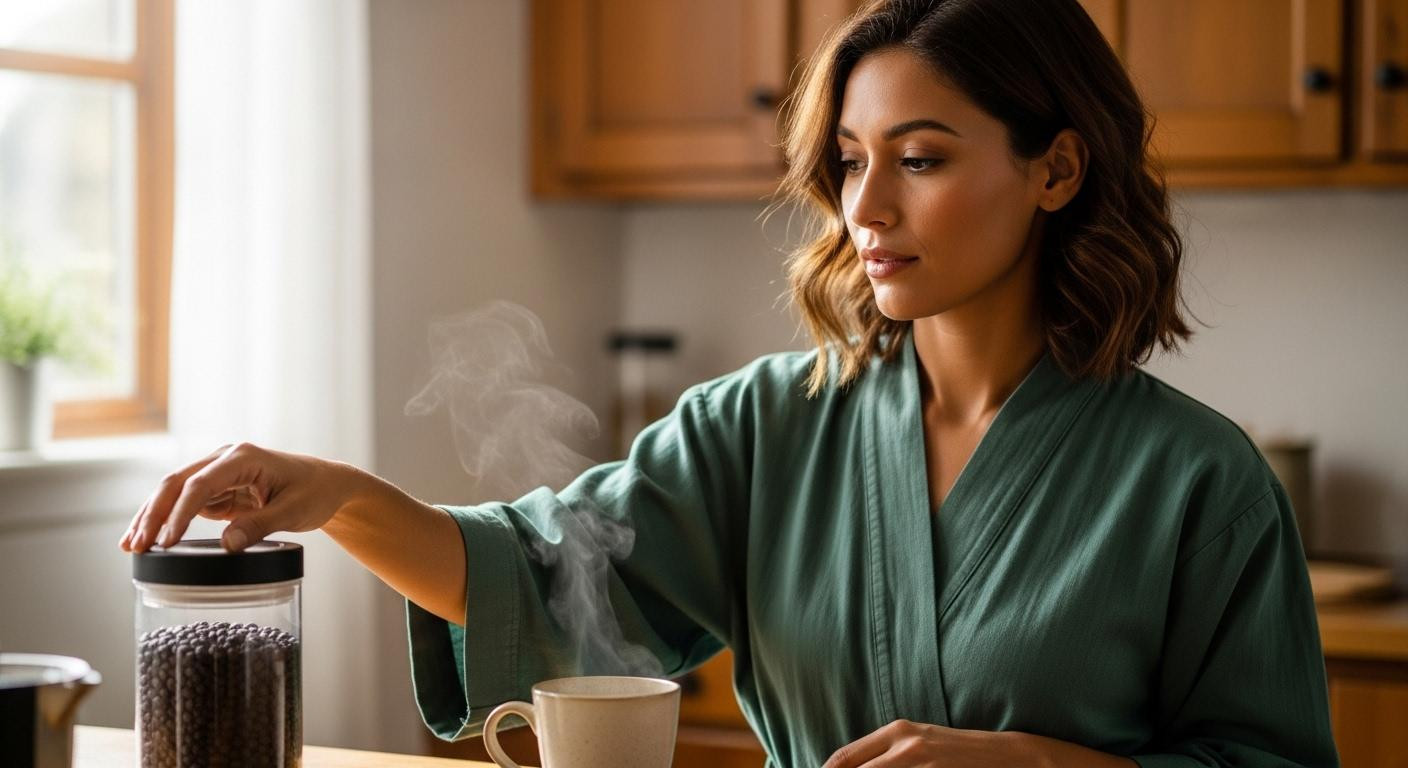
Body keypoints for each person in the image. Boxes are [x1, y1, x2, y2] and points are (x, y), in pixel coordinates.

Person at [121, 0, 1339, 765]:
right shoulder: (765, 425)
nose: (864, 206)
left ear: (1056, 169)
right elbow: (545, 577)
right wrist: (338, 498)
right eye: (851, 160)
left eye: (919, 159)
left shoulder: (1198, 482)